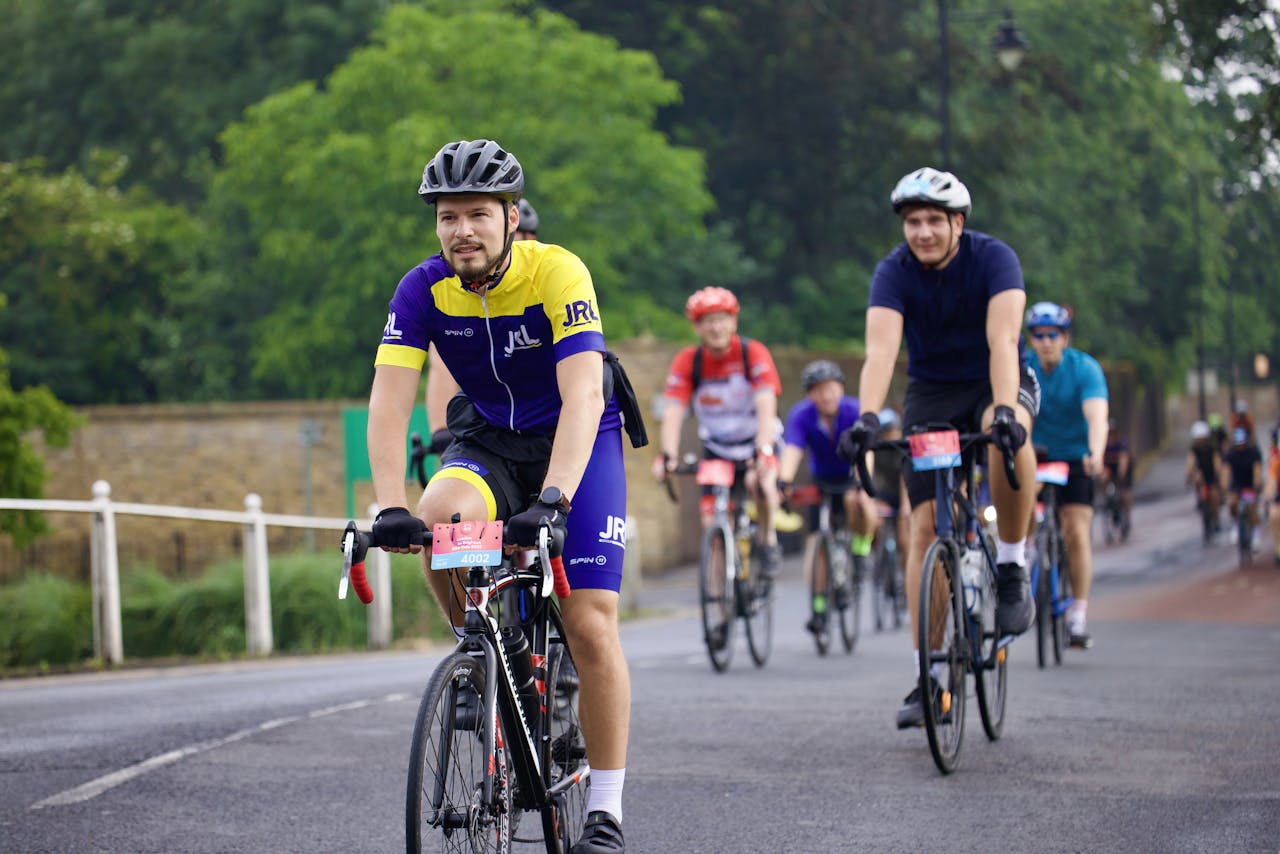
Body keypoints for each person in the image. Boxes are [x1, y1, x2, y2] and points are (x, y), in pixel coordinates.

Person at [367, 138, 629, 852]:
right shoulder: (421, 289)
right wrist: (389, 505)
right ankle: (487, 650)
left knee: (590, 622)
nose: (462, 231)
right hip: (489, 440)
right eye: (448, 217)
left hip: (578, 442)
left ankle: (604, 811)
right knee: (436, 520)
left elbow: (581, 396)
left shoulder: (558, 271)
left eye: (479, 214)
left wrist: (554, 500)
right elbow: (390, 404)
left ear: (512, 218)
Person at [837, 167, 1039, 730]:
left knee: (1006, 438)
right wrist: (868, 418)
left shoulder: (994, 259)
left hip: (996, 377)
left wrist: (1003, 411)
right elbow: (880, 353)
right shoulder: (893, 272)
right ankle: (928, 674)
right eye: (912, 222)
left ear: (958, 223)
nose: (922, 232)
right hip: (932, 393)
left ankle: (1012, 563)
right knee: (922, 529)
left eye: (933, 221)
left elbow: (1003, 340)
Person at [653, 286, 785, 577]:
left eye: (722, 319)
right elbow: (674, 410)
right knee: (710, 519)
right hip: (718, 447)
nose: (716, 327)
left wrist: (763, 448)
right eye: (708, 321)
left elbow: (766, 404)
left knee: (760, 484)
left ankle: (767, 537)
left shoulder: (753, 353)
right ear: (697, 327)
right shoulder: (690, 361)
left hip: (756, 440)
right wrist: (668, 455)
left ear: (734, 321)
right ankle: (720, 604)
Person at [1024, 301, 1109, 649]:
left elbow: (1097, 416)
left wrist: (1097, 453)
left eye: (1053, 335)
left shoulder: (1085, 369)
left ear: (1065, 338)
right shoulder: (1023, 367)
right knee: (1020, 505)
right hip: (1036, 455)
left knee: (1076, 530)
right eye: (1038, 335)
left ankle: (1078, 612)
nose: (1046, 342)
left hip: (1075, 457)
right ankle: (1026, 551)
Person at [777, 359, 880, 638]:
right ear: (810, 394)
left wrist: (862, 481)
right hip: (822, 481)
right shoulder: (802, 415)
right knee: (815, 545)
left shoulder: (853, 410)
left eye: (831, 388)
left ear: (841, 389)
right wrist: (783, 480)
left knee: (857, 502)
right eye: (819, 390)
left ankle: (860, 550)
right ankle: (819, 606)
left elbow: (866, 451)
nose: (826, 395)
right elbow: (793, 449)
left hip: (852, 474)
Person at [1221, 426, 1263, 553]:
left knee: (1252, 508)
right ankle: (1235, 525)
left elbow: (1257, 470)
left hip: (1250, 485)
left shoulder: (1253, 453)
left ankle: (1255, 535)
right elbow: (1226, 471)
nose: (1240, 447)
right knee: (1232, 503)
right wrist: (1224, 486)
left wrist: (1257, 484)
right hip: (1236, 486)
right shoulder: (1231, 454)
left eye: (1242, 444)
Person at [1186, 419, 1222, 541]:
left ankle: (1216, 517)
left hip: (1211, 474)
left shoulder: (1212, 447)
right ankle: (1201, 501)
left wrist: (1218, 474)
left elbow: (1216, 461)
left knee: (1214, 496)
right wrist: (1189, 475)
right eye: (1198, 438)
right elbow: (1190, 462)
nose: (1200, 440)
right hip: (1201, 475)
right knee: (1198, 482)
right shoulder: (1193, 448)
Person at [1101, 417, 1133, 538]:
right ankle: (1108, 503)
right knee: (1106, 486)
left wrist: (1121, 475)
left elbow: (1123, 460)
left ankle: (1127, 517)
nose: (1110, 436)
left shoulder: (1121, 442)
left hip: (1121, 467)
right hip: (1109, 468)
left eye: (1112, 433)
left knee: (1125, 493)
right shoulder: (1102, 442)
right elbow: (1100, 460)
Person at [1267, 428, 1280, 565]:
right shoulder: (1276, 460)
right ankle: (1279, 548)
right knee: (1274, 514)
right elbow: (1271, 479)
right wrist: (1269, 497)